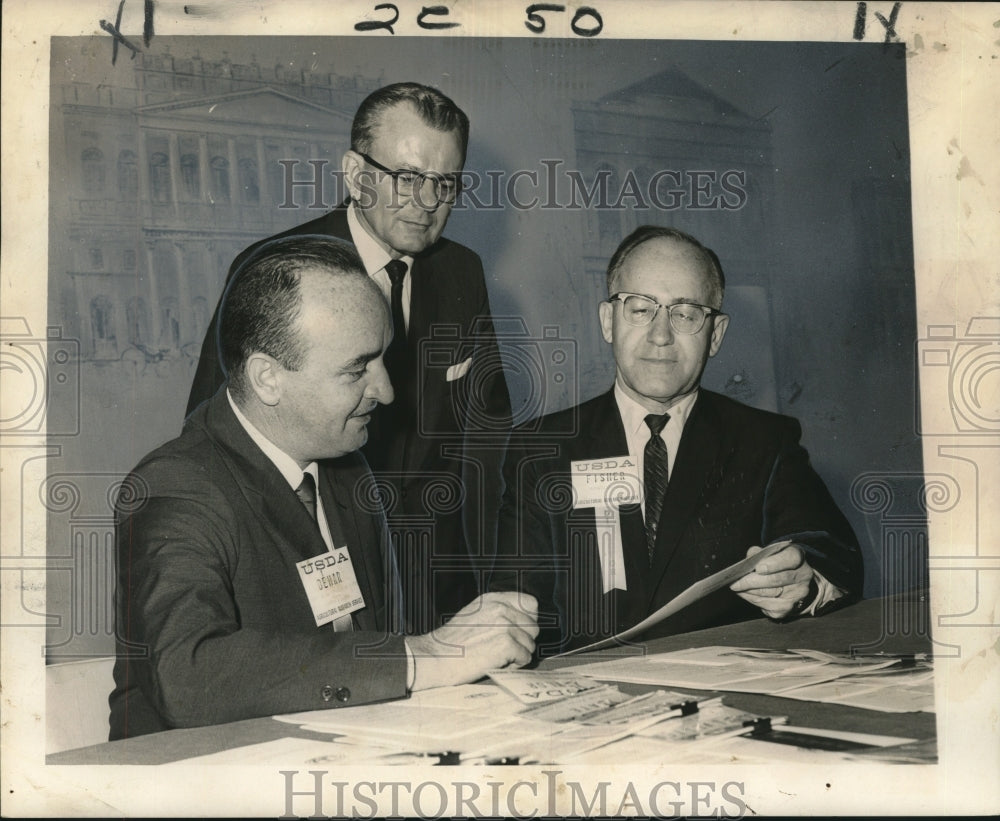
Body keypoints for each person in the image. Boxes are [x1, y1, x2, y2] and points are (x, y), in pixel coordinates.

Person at [109, 237, 536, 740]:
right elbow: (189, 676)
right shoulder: (176, 486)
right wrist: (422, 656)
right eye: (357, 369)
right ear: (268, 378)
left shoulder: (347, 469)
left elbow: (357, 652)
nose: (386, 390)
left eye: (382, 360)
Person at [185, 82, 511, 635]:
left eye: (445, 183)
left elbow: (484, 435)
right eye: (407, 178)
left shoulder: (462, 272)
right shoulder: (276, 266)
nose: (427, 202)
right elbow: (213, 436)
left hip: (438, 578)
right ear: (357, 175)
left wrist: (491, 575)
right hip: (323, 568)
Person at [490, 225, 863, 657]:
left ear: (716, 335)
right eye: (640, 309)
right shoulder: (541, 448)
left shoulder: (765, 441)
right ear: (608, 321)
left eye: (685, 313)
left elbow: (835, 558)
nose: (661, 335)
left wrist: (803, 584)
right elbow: (513, 603)